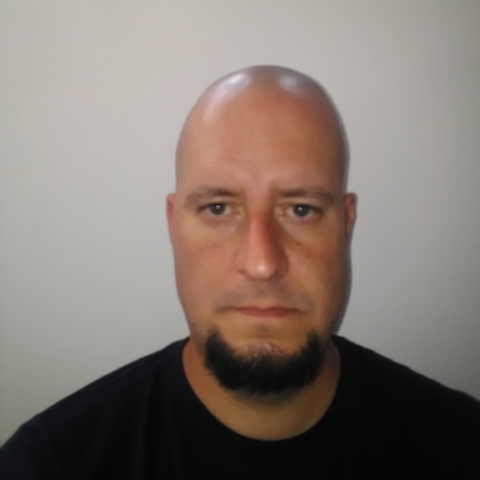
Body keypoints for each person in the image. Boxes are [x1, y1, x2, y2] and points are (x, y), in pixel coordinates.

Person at [1, 65, 479, 479]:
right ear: (173, 225)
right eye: (217, 208)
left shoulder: (460, 446)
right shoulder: (48, 464)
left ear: (346, 225)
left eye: (300, 210)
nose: (262, 263)